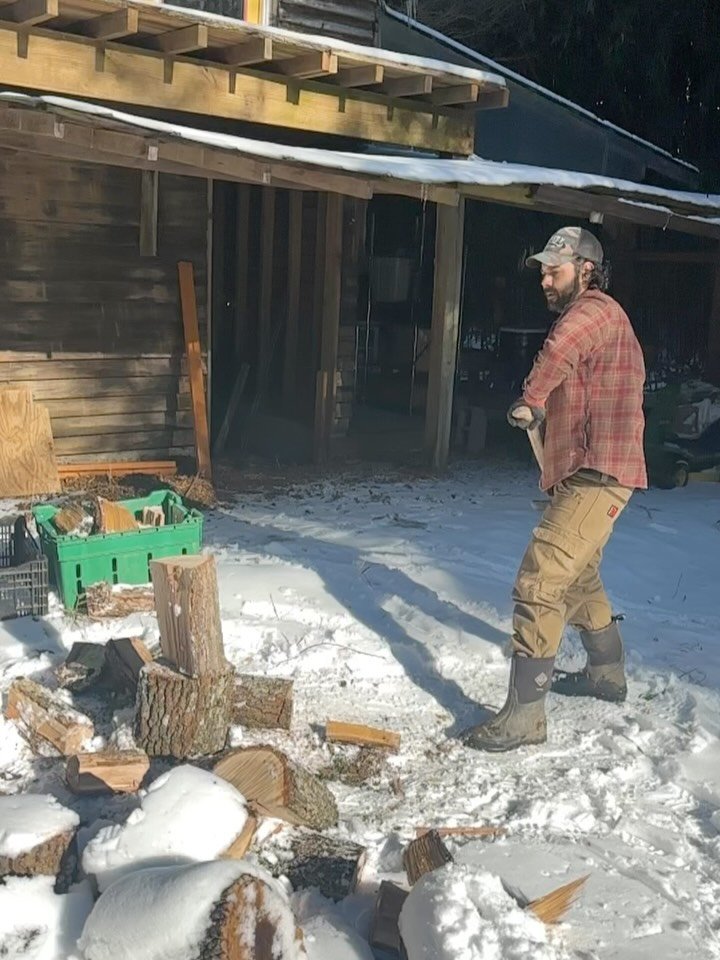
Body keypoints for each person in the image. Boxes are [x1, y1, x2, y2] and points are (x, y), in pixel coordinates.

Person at [463, 226, 647, 753]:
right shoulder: (602, 317)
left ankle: (525, 718)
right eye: (543, 269)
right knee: (580, 577)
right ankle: (607, 674)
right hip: (589, 472)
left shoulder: (592, 310)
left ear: (586, 270)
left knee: (540, 582)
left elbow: (558, 351)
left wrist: (532, 399)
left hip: (599, 473)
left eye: (555, 269)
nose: (545, 278)